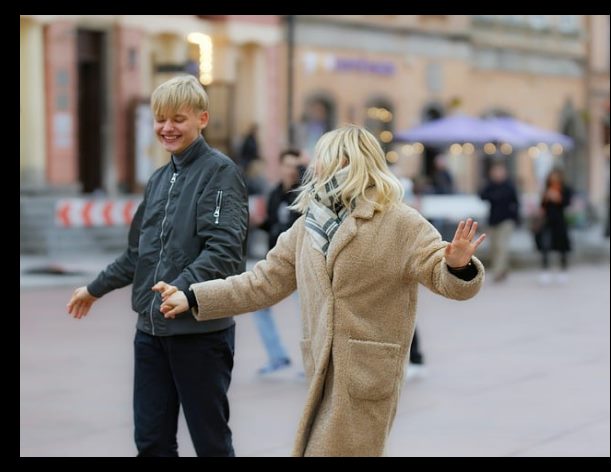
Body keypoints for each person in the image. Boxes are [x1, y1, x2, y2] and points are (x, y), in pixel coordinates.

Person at [154, 125, 486, 457]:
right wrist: (194, 296)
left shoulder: (400, 222)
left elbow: (443, 277)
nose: (312, 165)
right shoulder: (307, 225)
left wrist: (457, 266)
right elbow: (261, 283)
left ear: (345, 160)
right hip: (321, 371)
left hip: (367, 375)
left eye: (321, 156)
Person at [66, 75, 249, 457]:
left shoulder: (220, 173)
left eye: (178, 119)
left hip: (200, 335)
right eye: (160, 119)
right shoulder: (159, 180)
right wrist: (94, 288)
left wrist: (181, 287)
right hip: (150, 334)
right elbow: (138, 254)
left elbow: (225, 250)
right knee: (151, 442)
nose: (167, 128)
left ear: (202, 119)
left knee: (211, 443)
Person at [254, 149, 303, 375]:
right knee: (259, 307)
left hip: (299, 263)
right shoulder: (274, 193)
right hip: (276, 263)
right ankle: (277, 356)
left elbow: (299, 229)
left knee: (308, 313)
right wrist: (258, 223)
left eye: (295, 166)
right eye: (288, 165)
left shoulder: (304, 194)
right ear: (281, 166)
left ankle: (312, 363)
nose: (291, 170)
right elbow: (274, 224)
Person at [479, 161, 520, 282]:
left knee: (502, 246)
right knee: (493, 248)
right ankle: (504, 269)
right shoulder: (490, 185)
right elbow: (482, 196)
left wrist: (516, 218)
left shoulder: (509, 186)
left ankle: (497, 272)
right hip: (493, 221)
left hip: (507, 221)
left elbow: (516, 203)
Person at [536, 168, 573, 284]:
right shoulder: (546, 189)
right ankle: (545, 272)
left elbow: (567, 203)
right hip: (547, 222)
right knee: (545, 246)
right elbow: (542, 206)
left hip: (560, 222)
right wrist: (546, 198)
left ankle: (563, 271)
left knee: (562, 247)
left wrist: (557, 198)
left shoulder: (565, 189)